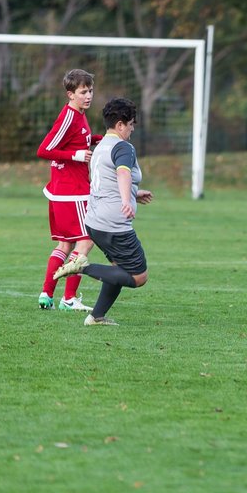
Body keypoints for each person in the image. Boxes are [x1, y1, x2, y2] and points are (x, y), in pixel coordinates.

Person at [53, 97, 153, 326]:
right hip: (113, 223)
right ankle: (82, 266)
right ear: (120, 124)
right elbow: (122, 172)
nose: (132, 129)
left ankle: (95, 317)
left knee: (118, 268)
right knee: (138, 277)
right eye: (130, 124)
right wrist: (127, 199)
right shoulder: (123, 146)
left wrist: (134, 194)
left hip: (95, 221)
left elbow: (105, 181)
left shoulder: (100, 148)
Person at [35, 68, 98, 311]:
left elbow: (77, 139)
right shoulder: (69, 116)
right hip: (72, 192)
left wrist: (97, 140)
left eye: (90, 90)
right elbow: (44, 150)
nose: (88, 95)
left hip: (67, 191)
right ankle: (69, 298)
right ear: (70, 94)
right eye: (83, 92)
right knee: (87, 239)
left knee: (65, 245)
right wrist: (76, 155)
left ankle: (46, 294)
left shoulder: (80, 116)